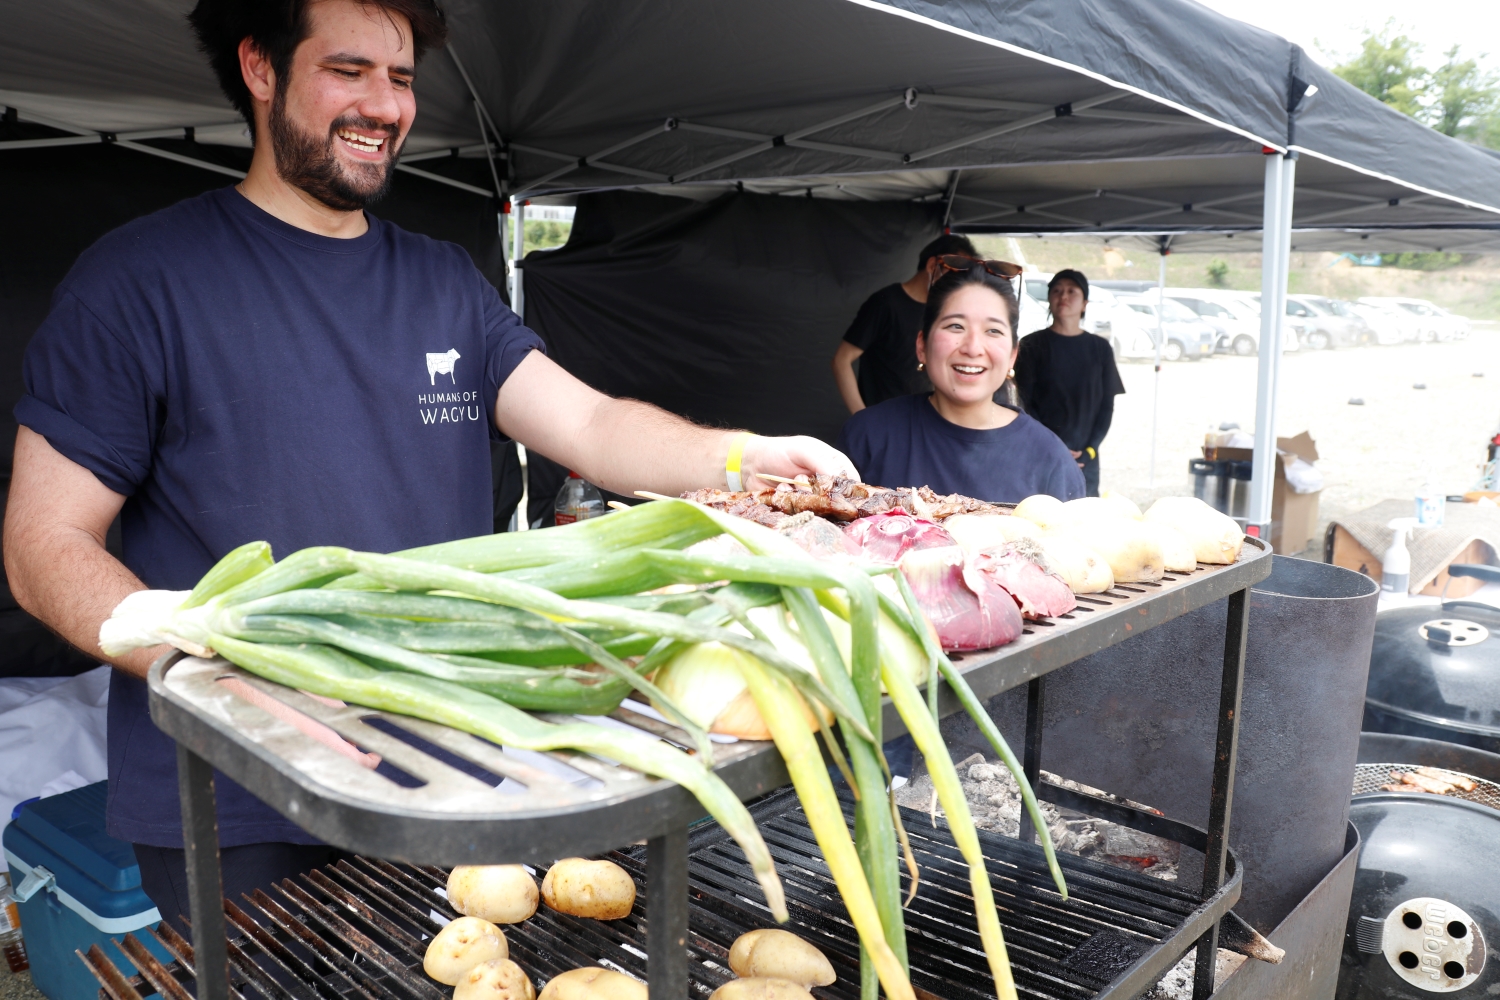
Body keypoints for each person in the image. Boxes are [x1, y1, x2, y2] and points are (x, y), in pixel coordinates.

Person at [1, 0, 852, 933]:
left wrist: (744, 458)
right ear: (259, 66)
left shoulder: (442, 280)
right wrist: (204, 675)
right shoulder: (138, 280)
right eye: (349, 70)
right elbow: (43, 543)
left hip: (446, 768)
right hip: (236, 792)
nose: (385, 105)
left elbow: (595, 425)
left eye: (401, 79)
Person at [837, 261, 1085, 503]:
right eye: (956, 326)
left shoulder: (1050, 460)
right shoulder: (867, 436)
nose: (973, 348)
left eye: (993, 330)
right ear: (922, 345)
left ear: (1012, 355)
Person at [831, 233, 979, 414]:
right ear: (933, 265)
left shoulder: (945, 312)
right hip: (885, 420)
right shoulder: (886, 303)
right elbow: (841, 360)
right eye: (955, 272)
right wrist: (860, 417)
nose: (959, 283)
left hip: (926, 420)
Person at [1013, 270, 1125, 497]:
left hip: (1085, 458)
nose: (1063, 296)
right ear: (1049, 300)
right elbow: (1024, 405)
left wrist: (1090, 449)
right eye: (1056, 291)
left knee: (1085, 519)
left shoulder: (1100, 348)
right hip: (1040, 453)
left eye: (1071, 291)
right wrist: (1053, 446)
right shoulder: (1031, 345)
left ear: (1084, 303)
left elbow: (1106, 406)